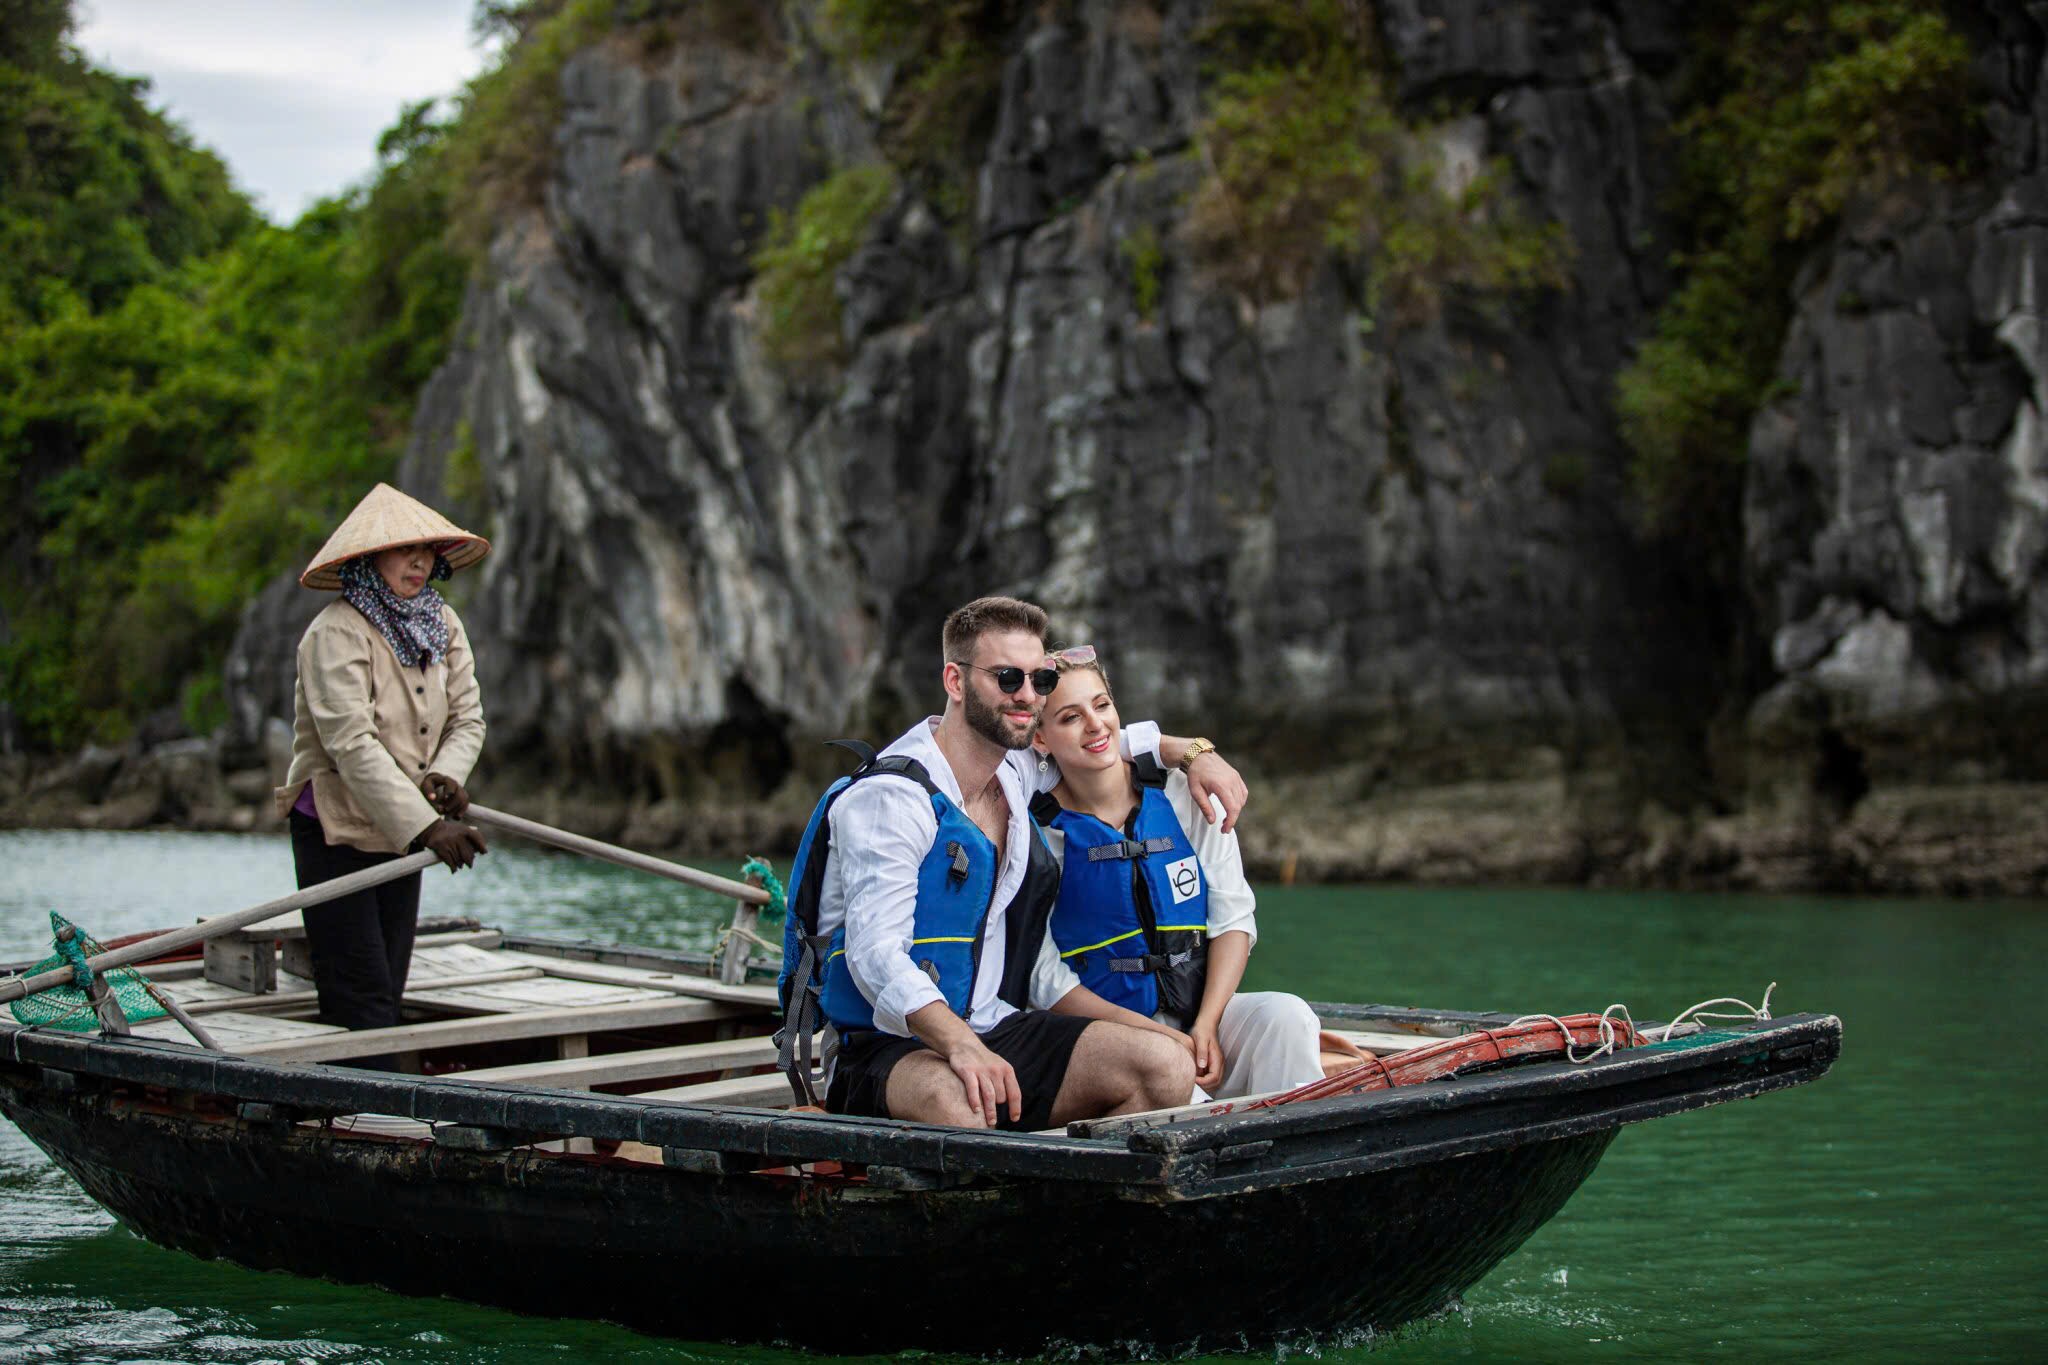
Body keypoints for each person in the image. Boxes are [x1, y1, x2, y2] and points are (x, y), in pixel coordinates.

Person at [783, 596, 1250, 1131]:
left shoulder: (1016, 771)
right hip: (884, 1046)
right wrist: (960, 1046)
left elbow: (1096, 741)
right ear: (955, 682)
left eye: (1039, 681)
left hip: (991, 1024)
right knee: (961, 1106)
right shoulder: (892, 800)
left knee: (1164, 1067)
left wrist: (1193, 752)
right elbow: (875, 957)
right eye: (1008, 679)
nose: (1027, 696)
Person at [1027, 646, 1344, 1099]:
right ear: (1041, 739)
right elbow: (1043, 978)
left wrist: (1208, 1025)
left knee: (1287, 1018)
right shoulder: (1035, 833)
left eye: (1102, 705)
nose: (1095, 725)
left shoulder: (1184, 793)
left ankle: (1296, 1155)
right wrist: (1155, 1038)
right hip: (1108, 1038)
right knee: (1169, 1073)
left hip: (1199, 1019)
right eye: (1070, 717)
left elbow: (1233, 917)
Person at [273, 483, 491, 1055]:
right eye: (402, 550)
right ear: (369, 559)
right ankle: (363, 1117)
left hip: (405, 828)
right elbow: (351, 744)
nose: (418, 562)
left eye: (426, 552)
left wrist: (446, 777)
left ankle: (373, 1105)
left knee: (388, 987)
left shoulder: (443, 624)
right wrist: (426, 826)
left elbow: (468, 719)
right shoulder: (333, 632)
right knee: (361, 996)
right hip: (336, 827)